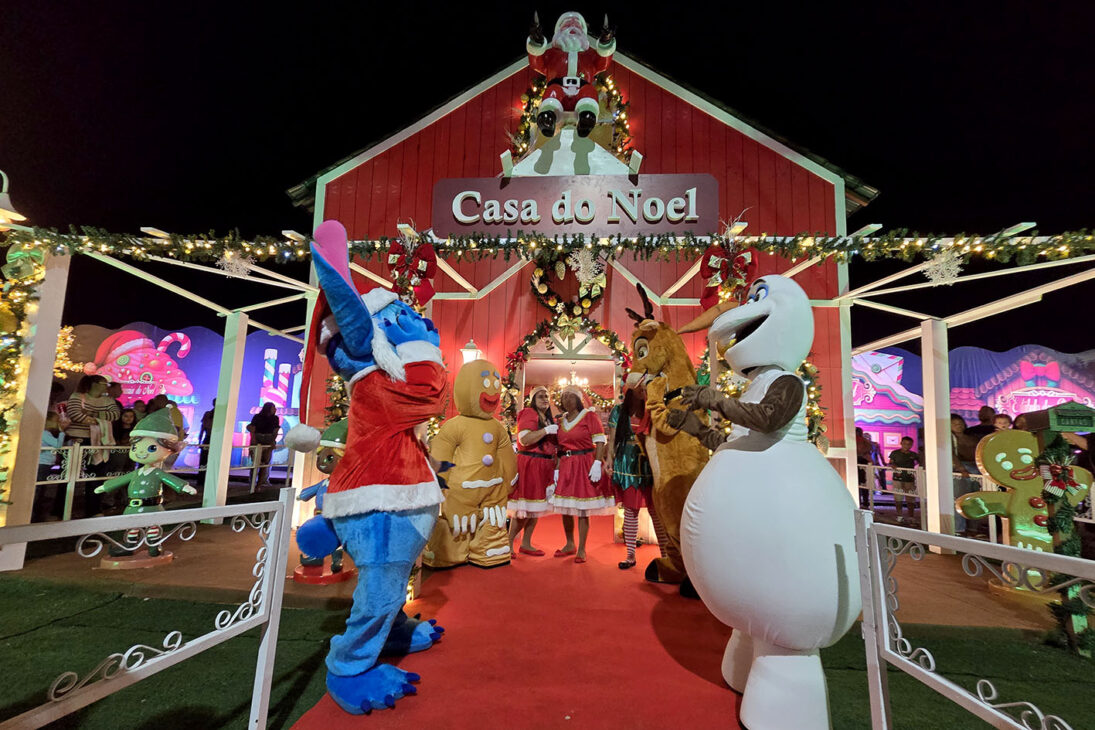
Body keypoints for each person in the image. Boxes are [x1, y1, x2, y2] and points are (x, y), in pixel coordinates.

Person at [548, 387, 613, 563]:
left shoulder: (589, 416)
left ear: (578, 399)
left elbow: (600, 440)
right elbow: (560, 448)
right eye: (563, 397)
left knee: (583, 508)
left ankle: (582, 548)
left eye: (570, 396)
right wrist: (557, 469)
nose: (566, 399)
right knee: (565, 507)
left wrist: (597, 463)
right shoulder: (561, 421)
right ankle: (570, 543)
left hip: (584, 463)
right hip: (567, 465)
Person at [607, 387, 662, 570]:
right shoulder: (618, 411)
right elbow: (613, 439)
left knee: (656, 511)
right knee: (630, 510)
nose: (642, 392)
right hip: (626, 462)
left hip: (649, 461)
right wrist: (609, 460)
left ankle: (667, 555)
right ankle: (630, 553)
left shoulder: (652, 409)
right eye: (638, 389)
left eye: (644, 389)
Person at [509, 386, 557, 557]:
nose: (545, 399)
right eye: (541, 396)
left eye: (547, 396)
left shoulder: (548, 418)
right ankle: (508, 544)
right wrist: (545, 430)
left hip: (544, 466)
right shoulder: (529, 413)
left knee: (535, 507)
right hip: (530, 464)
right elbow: (524, 438)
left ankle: (526, 543)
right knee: (525, 508)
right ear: (533, 399)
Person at [66, 374, 120, 516]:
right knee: (68, 475)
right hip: (78, 440)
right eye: (104, 384)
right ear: (95, 384)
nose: (106, 387)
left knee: (96, 477)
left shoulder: (108, 400)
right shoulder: (78, 396)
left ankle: (93, 509)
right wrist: (99, 418)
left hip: (100, 442)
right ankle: (62, 509)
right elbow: (74, 414)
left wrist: (91, 413)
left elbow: (115, 415)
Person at [35, 411, 66, 522]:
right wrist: (62, 431)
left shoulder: (44, 433)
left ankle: (37, 514)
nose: (58, 423)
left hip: (45, 463)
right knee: (39, 489)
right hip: (43, 463)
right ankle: (35, 514)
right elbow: (58, 445)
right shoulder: (44, 433)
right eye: (56, 421)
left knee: (41, 488)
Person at [887, 436, 922, 523]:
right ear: (901, 443)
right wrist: (893, 466)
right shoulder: (895, 453)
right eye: (905, 443)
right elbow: (890, 463)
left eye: (909, 444)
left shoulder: (913, 455)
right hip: (897, 478)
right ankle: (899, 515)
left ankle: (911, 516)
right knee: (898, 498)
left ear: (911, 445)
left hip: (909, 479)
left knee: (910, 499)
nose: (907, 446)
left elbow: (919, 462)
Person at [248, 402, 280, 488]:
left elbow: (275, 431)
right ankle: (252, 482)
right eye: (274, 408)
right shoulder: (257, 417)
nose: (275, 409)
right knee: (256, 462)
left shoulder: (275, 418)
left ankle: (259, 484)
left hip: (268, 439)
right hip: (258, 438)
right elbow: (252, 428)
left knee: (265, 463)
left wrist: (272, 441)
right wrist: (254, 440)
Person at [198, 399, 216, 474]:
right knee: (204, 459)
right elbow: (203, 427)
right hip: (209, 438)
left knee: (206, 459)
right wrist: (200, 439)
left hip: (212, 439)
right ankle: (202, 479)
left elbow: (202, 428)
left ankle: (203, 479)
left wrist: (200, 439)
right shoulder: (208, 414)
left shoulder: (208, 414)